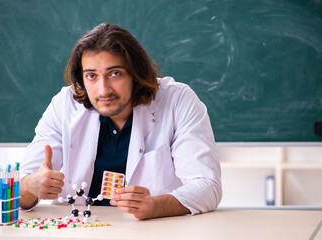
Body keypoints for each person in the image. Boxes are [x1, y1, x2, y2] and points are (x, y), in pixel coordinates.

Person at [20, 22, 222, 220]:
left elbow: (207, 186)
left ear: (135, 74)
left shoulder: (177, 100)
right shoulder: (65, 105)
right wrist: (30, 187)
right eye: (91, 76)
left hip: (151, 233)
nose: (103, 90)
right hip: (80, 230)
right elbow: (17, 190)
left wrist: (155, 206)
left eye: (114, 74)